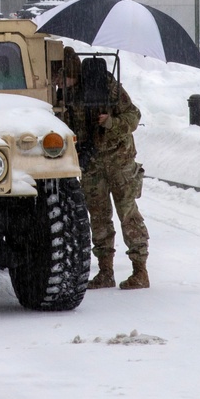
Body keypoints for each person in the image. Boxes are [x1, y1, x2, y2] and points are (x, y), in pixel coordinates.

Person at [61, 46, 149, 289]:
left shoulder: (105, 86)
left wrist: (112, 123)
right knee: (98, 218)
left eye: (63, 78)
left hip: (118, 160)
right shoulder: (64, 95)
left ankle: (140, 271)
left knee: (128, 214)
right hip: (91, 164)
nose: (60, 83)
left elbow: (133, 116)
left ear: (73, 72)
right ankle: (105, 272)